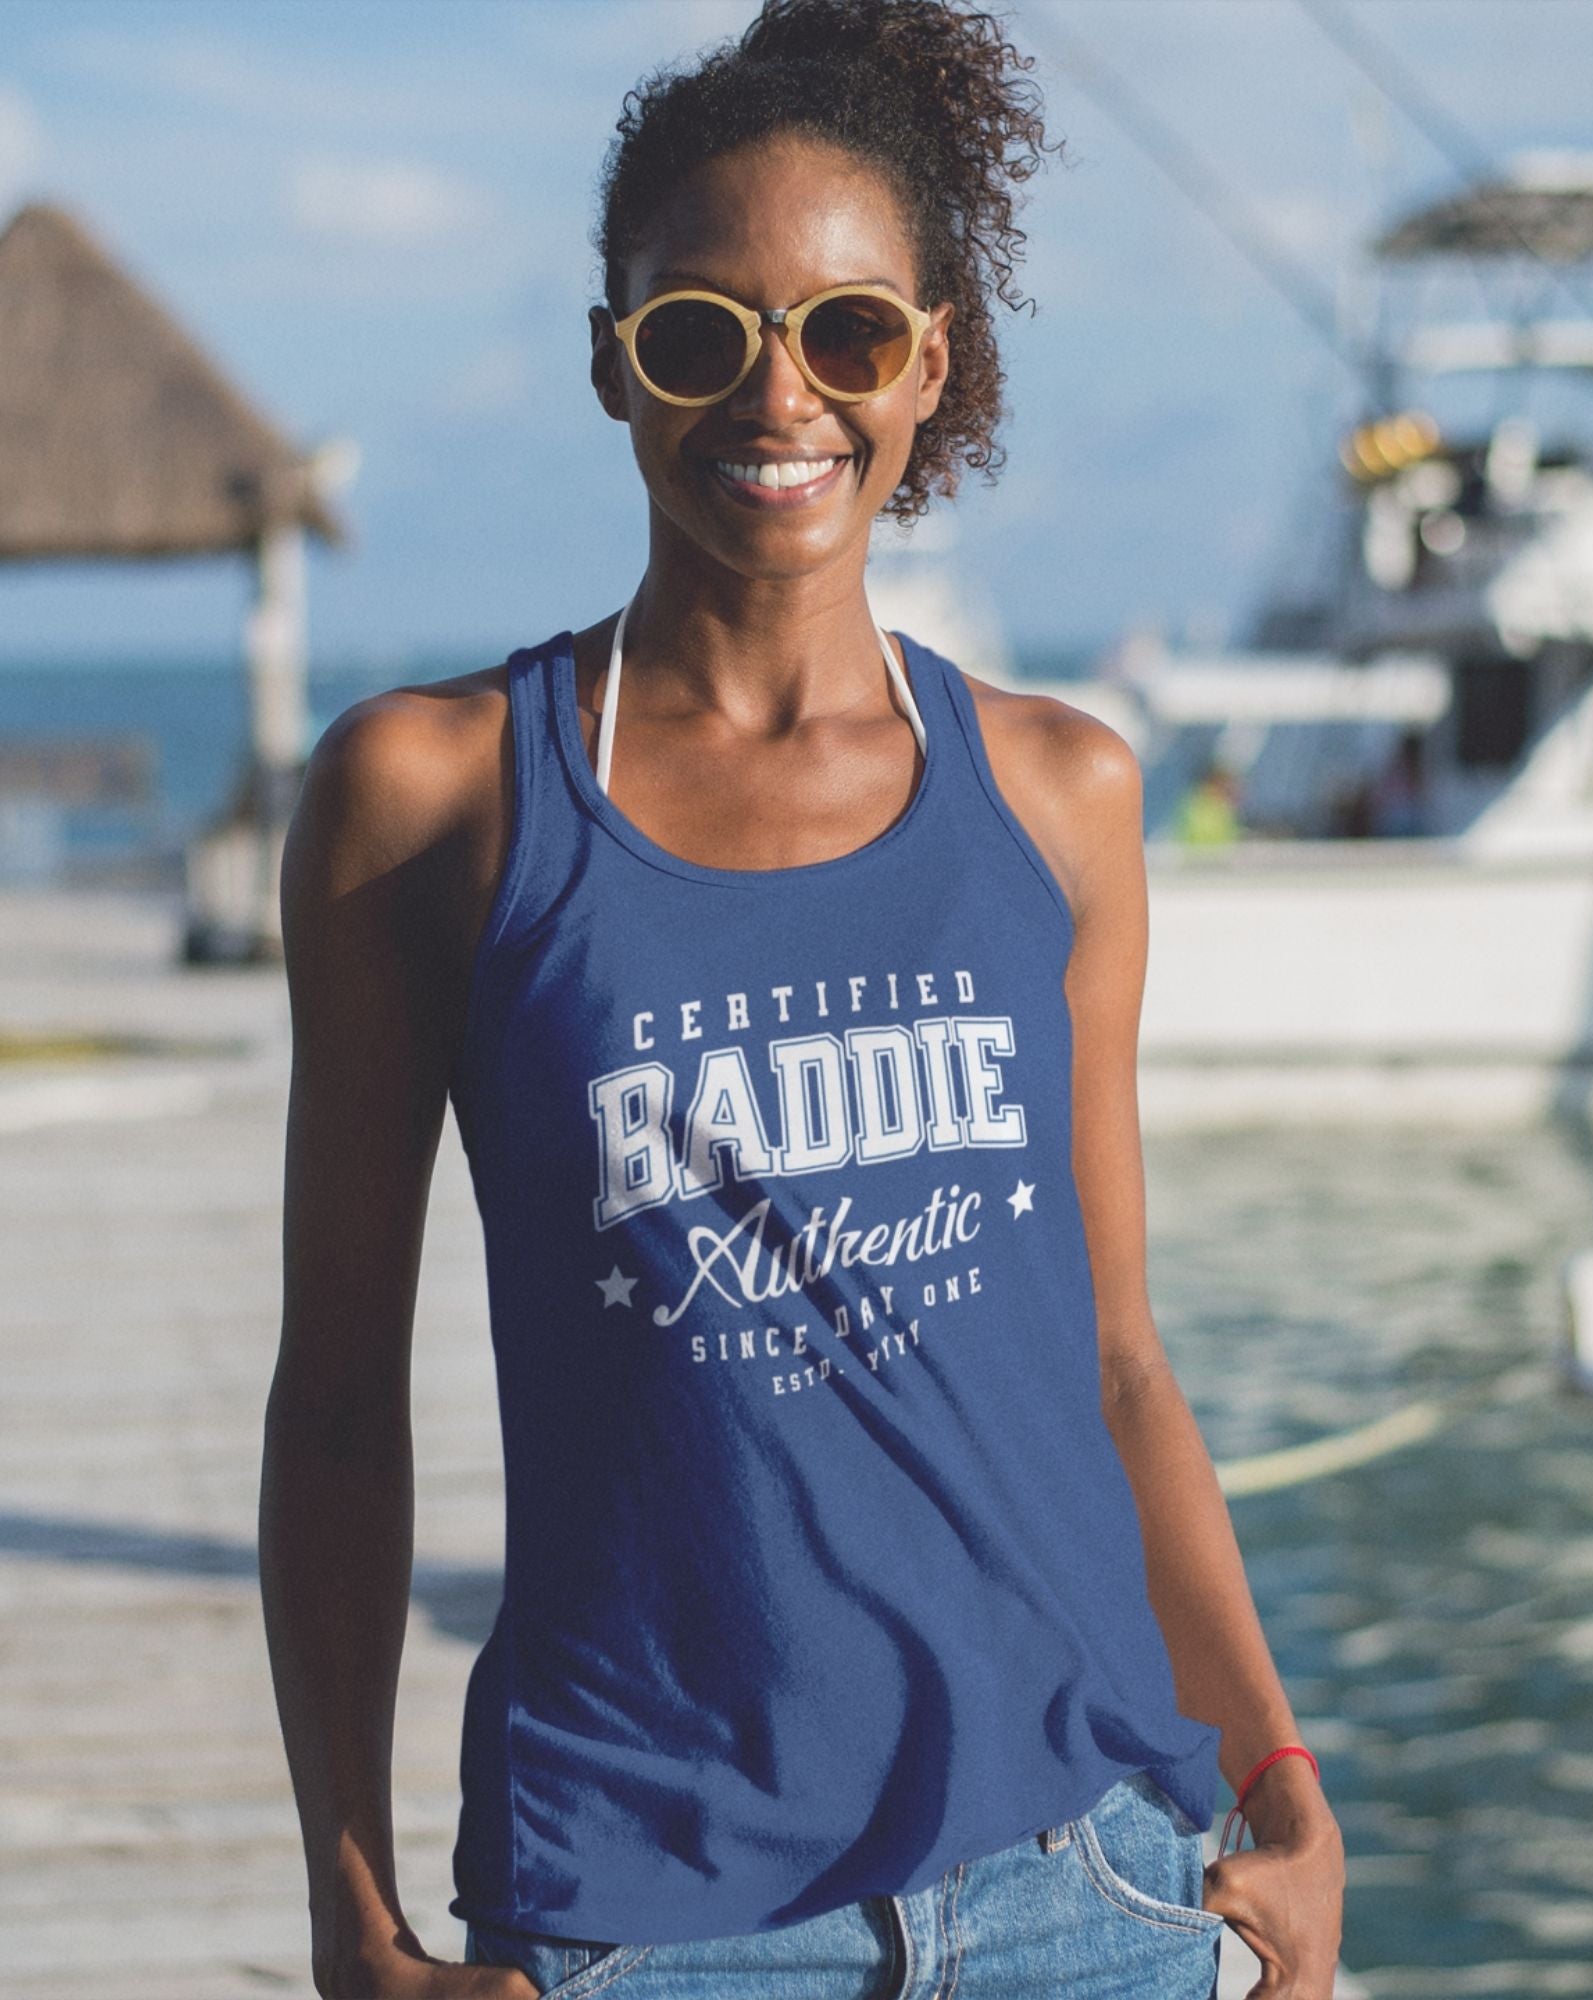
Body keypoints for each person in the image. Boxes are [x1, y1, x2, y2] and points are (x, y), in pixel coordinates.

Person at [258, 3, 1346, 1995]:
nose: (779, 392)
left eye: (846, 330)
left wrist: (1276, 1775)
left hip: (1082, 1883)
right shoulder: (438, 800)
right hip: (647, 1910)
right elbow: (335, 1402)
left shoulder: (1057, 795)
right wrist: (354, 1923)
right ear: (612, 360)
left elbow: (1112, 1363)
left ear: (929, 360)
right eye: (700, 331)